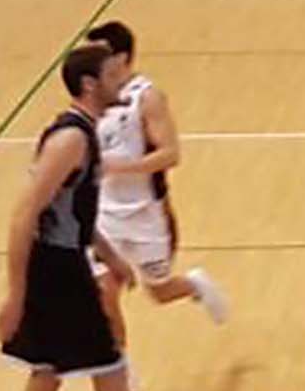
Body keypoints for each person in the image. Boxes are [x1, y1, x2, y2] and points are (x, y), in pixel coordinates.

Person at [0, 39, 213, 391]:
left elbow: (72, 211)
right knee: (107, 367)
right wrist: (15, 296)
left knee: (48, 374)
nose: (123, 82)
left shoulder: (85, 134)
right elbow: (25, 214)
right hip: (56, 270)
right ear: (90, 85)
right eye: (113, 76)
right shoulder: (70, 140)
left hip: (64, 262)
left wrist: (109, 255)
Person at [84, 20, 227, 328]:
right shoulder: (92, 96)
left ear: (120, 58)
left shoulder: (147, 98)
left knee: (159, 291)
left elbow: (170, 154)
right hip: (104, 213)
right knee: (104, 293)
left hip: (145, 211)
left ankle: (194, 285)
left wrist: (119, 166)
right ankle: (117, 359)